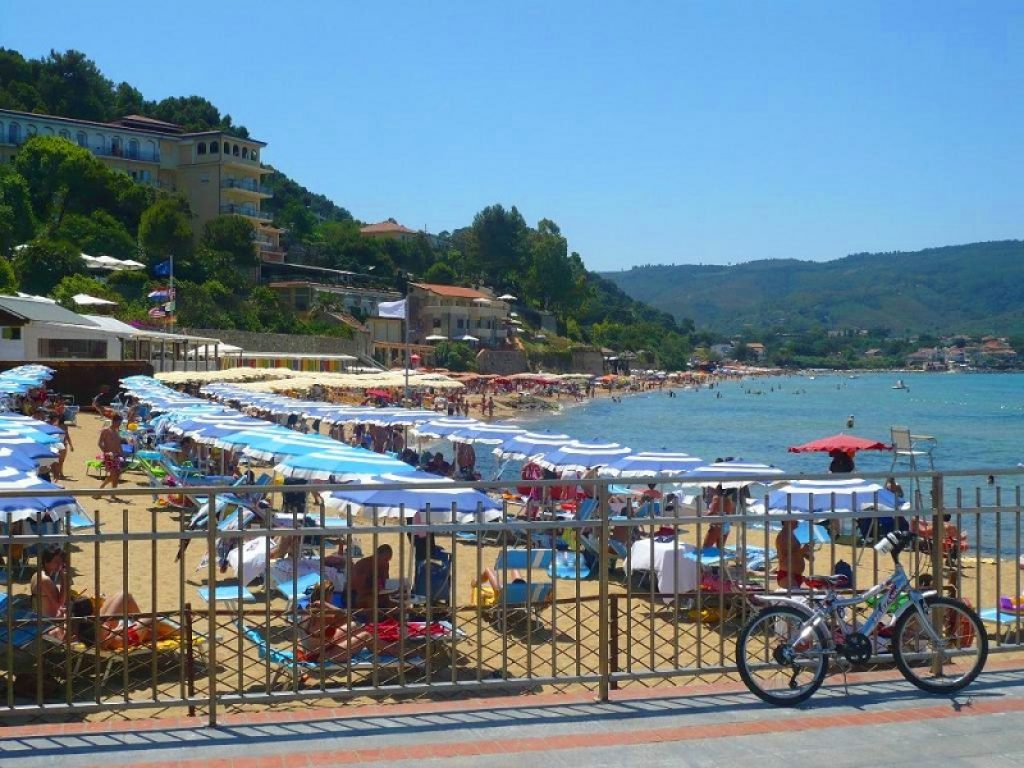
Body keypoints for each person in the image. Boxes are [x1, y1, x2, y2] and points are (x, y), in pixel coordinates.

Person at [348, 544, 395, 610]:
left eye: (388, 560)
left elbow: (385, 583)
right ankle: (374, 619)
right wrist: (375, 590)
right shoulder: (362, 565)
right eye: (385, 559)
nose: (386, 562)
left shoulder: (385, 565)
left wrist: (395, 590)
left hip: (374, 593)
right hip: (354, 594)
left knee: (397, 601)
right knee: (371, 600)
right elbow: (359, 590)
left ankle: (396, 619)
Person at [775, 519, 811, 589]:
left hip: (795, 575)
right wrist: (802, 551)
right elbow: (786, 559)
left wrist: (805, 554)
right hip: (787, 576)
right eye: (795, 518)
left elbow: (794, 553)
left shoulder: (791, 534)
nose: (798, 521)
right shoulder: (783, 536)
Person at [97, 413, 125, 499]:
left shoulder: (117, 432)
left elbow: (118, 445)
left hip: (116, 456)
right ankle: (101, 490)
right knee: (113, 474)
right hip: (109, 456)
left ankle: (112, 493)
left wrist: (122, 454)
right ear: (114, 421)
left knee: (116, 474)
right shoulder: (106, 430)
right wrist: (106, 452)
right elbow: (100, 443)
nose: (120, 424)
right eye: (119, 422)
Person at [701, 485, 736, 550]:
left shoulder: (717, 498)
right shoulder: (728, 500)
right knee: (720, 550)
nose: (711, 488)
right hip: (726, 527)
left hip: (716, 527)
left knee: (705, 548)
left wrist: (704, 516)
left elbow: (712, 513)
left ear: (718, 489)